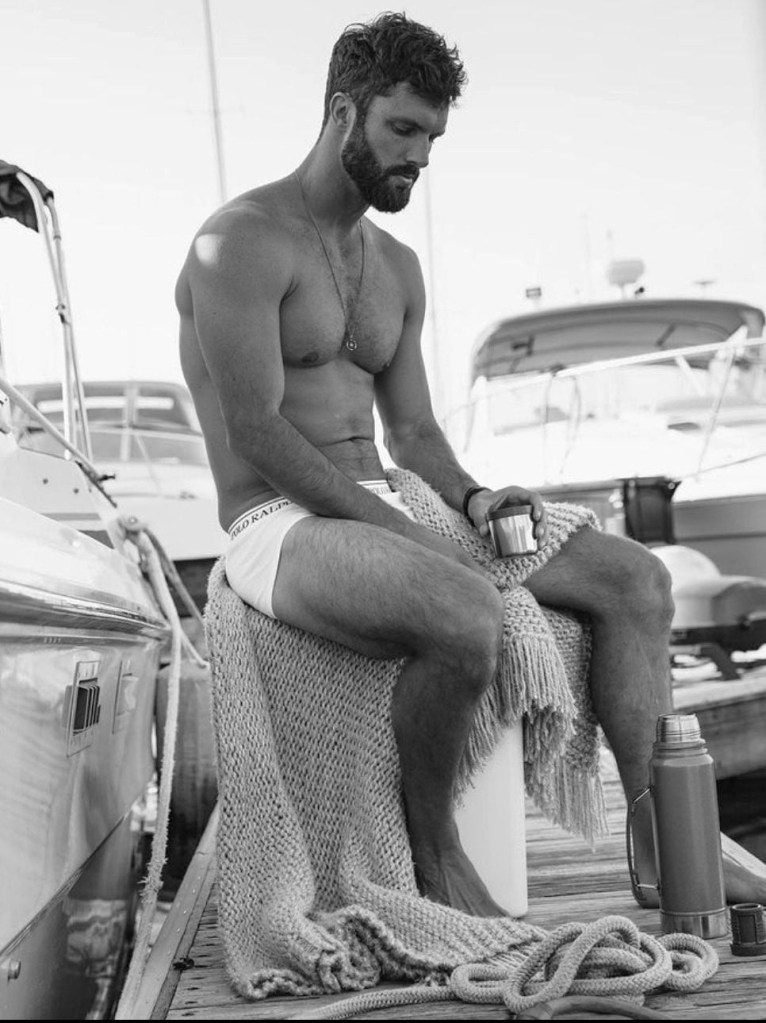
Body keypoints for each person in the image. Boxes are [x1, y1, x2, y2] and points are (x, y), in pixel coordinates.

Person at [176, 10, 766, 917]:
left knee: (636, 579)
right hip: (278, 523)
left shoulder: (396, 266)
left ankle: (660, 841)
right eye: (402, 129)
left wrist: (474, 498)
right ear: (344, 113)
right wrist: (412, 538)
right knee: (464, 611)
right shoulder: (239, 242)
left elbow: (412, 432)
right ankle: (435, 856)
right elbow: (256, 431)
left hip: (388, 496)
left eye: (432, 137)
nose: (419, 155)